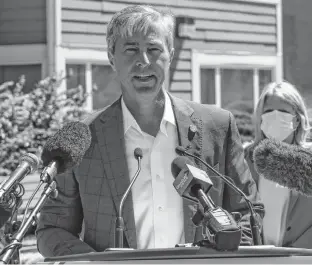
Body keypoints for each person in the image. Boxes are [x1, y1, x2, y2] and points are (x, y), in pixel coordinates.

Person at [36, 5, 264, 257]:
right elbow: (53, 230)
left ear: (171, 55)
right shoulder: (83, 139)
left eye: (154, 49)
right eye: (131, 49)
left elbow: (247, 214)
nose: (143, 61)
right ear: (112, 57)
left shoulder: (218, 126)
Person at [244, 81, 312, 248]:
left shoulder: (308, 159)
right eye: (268, 112)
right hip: (255, 257)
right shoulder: (246, 159)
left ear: (297, 119)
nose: (275, 116)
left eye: (283, 111)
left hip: (301, 257)